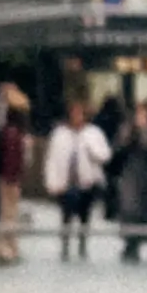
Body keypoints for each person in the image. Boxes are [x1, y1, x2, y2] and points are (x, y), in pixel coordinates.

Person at [44, 101, 110, 262]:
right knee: (66, 216)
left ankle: (82, 245)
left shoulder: (94, 133)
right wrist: (52, 182)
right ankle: (65, 246)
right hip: (66, 183)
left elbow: (105, 155)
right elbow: (51, 159)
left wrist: (91, 150)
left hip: (87, 182)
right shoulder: (59, 134)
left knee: (84, 216)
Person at [114, 103, 147, 260]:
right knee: (130, 209)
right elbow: (119, 150)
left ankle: (142, 243)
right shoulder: (127, 130)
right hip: (131, 175)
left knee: (146, 210)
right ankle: (130, 244)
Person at [0, 85, 28, 264]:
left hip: (9, 177)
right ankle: (4, 249)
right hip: (9, 178)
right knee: (7, 214)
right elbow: (11, 159)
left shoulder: (10, 131)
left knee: (9, 214)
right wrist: (11, 179)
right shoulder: (12, 132)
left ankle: (11, 247)